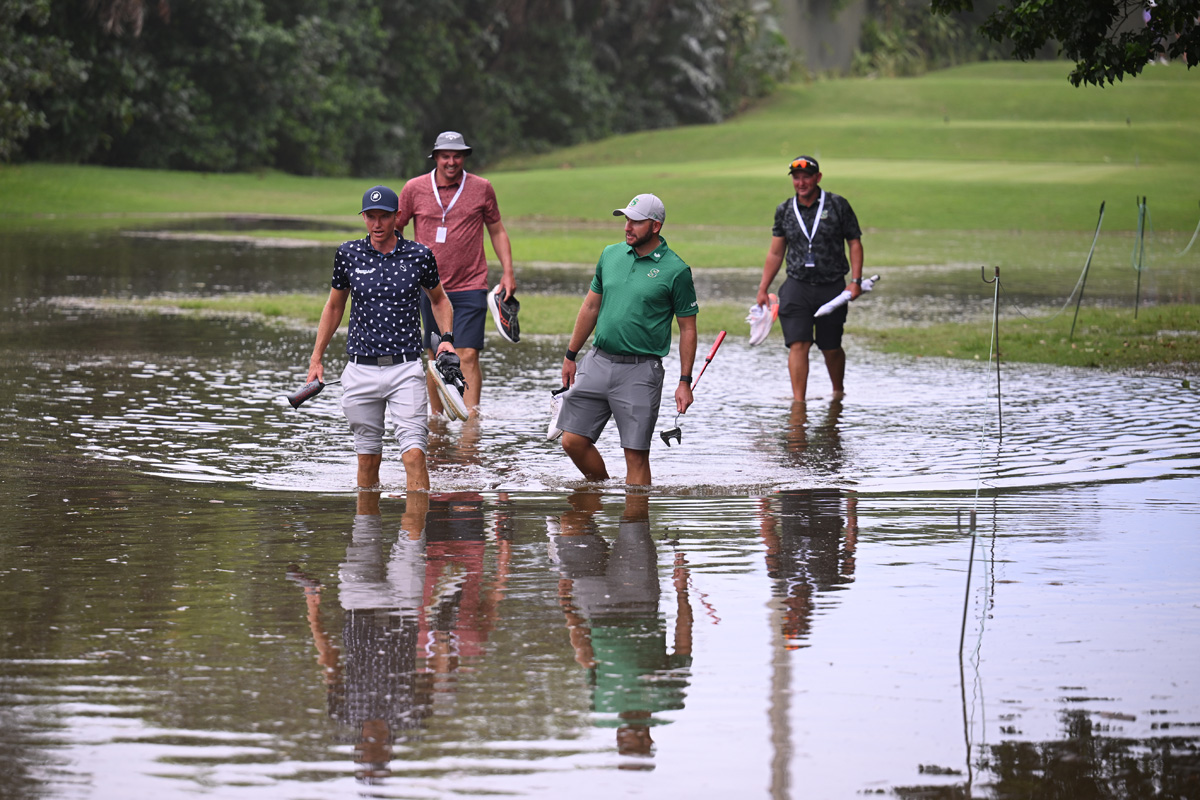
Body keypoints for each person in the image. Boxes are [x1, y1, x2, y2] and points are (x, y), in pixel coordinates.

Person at [306, 185, 457, 492]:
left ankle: (415, 537)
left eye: (384, 217)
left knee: (415, 455)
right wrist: (316, 357)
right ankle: (366, 537)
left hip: (406, 369)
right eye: (370, 216)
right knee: (367, 460)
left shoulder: (419, 255)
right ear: (363, 217)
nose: (376, 224)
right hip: (360, 369)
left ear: (397, 217)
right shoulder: (348, 254)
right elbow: (335, 306)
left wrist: (446, 338)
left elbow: (439, 300)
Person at [557, 193, 698, 486]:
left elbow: (688, 329)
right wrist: (571, 356)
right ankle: (601, 490)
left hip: (640, 370)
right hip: (597, 361)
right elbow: (590, 307)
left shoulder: (676, 271)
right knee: (572, 440)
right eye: (626, 220)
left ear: (656, 226)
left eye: (636, 221)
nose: (627, 227)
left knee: (635, 456)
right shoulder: (610, 255)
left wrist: (684, 381)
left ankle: (634, 525)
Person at [397, 131, 516, 416]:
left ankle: (470, 421)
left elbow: (497, 229)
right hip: (428, 287)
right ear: (436, 157)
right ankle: (437, 419)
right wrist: (401, 268)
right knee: (434, 355)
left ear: (464, 157)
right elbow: (396, 228)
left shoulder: (482, 187)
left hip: (470, 284)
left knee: (468, 355)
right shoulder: (414, 188)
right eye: (446, 156)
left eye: (457, 156)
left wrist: (508, 273)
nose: (452, 161)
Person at [755, 156, 864, 402]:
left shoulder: (837, 205)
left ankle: (837, 393)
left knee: (831, 346)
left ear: (818, 178)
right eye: (796, 177)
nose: (801, 182)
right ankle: (798, 402)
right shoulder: (784, 210)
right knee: (798, 343)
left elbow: (854, 242)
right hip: (796, 285)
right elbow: (775, 252)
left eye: (806, 177)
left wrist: (855, 280)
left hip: (832, 286)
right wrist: (763, 288)